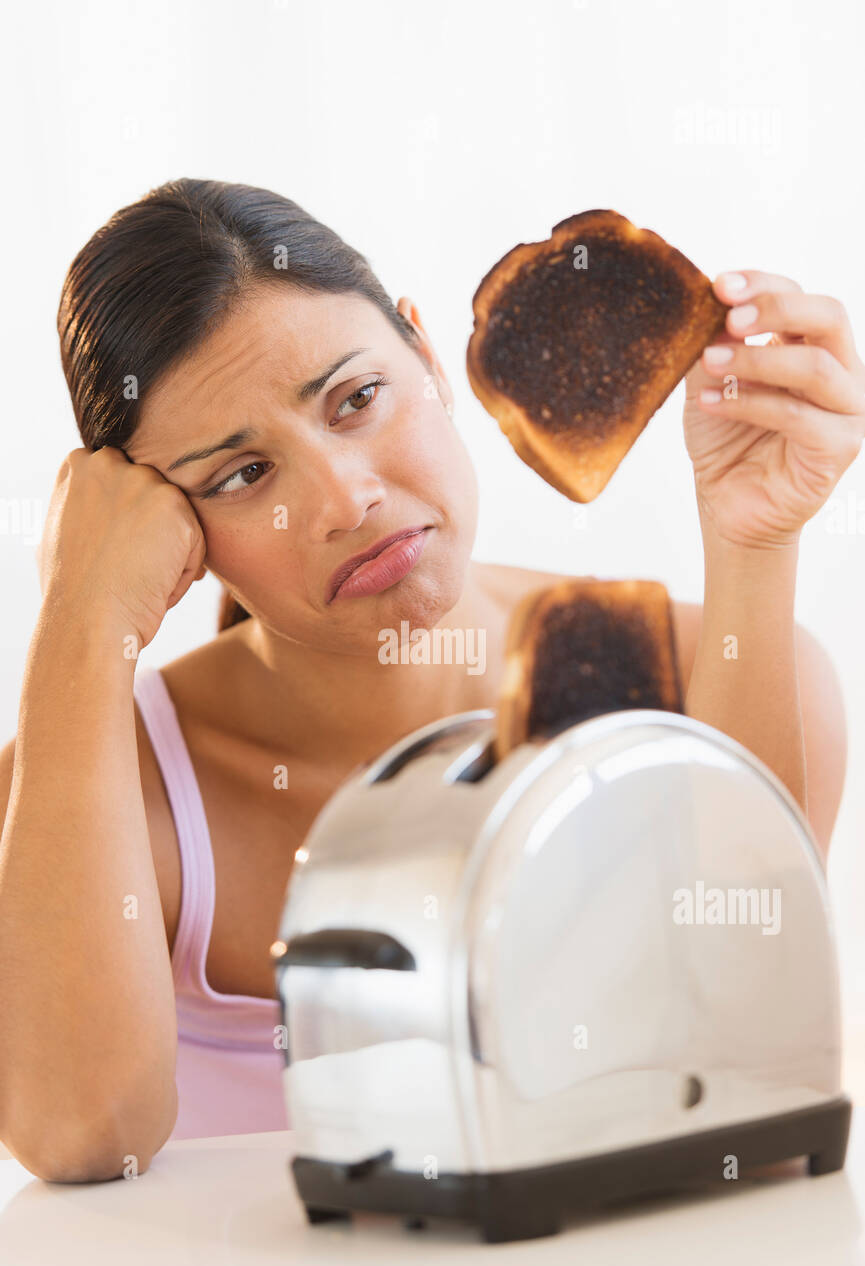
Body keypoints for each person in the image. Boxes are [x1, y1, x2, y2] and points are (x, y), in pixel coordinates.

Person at [0, 179, 860, 1180]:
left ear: (425, 353)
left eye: (356, 399)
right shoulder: (97, 784)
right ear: (170, 532)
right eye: (240, 476)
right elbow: (83, 1138)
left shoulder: (711, 677)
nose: (343, 497)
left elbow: (749, 1107)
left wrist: (754, 547)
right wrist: (82, 613)